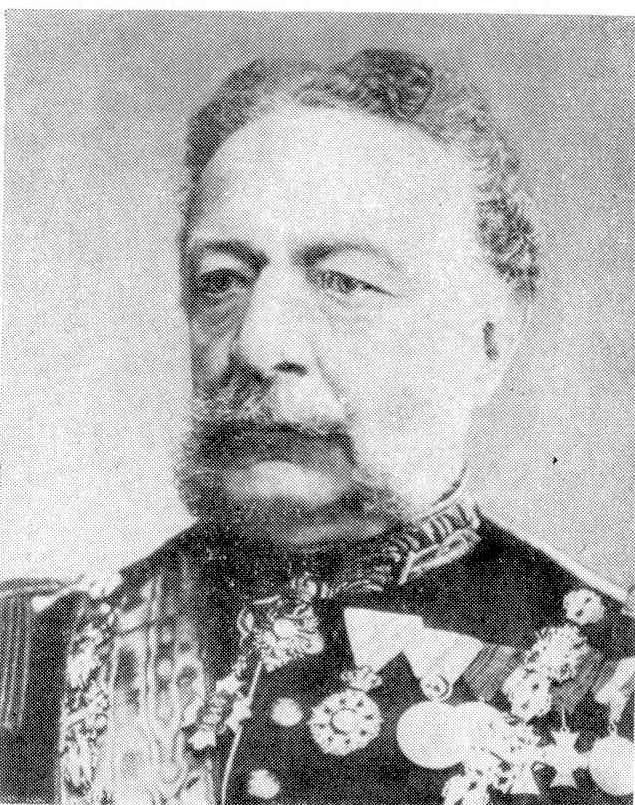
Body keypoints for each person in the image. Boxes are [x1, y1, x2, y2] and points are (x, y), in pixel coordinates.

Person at [1, 48, 633, 805]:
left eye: (345, 281)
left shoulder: (611, 675)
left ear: (489, 339)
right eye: (223, 280)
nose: (256, 344)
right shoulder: (32, 656)